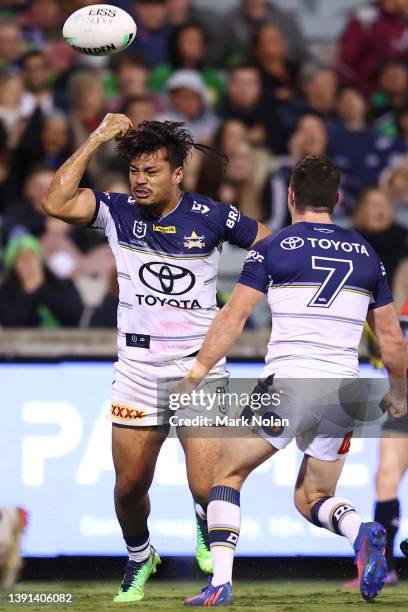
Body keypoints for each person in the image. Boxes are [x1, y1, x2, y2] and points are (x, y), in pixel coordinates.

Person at [41, 115, 270, 602]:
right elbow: (55, 200)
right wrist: (98, 137)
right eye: (135, 172)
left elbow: (272, 245)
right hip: (137, 374)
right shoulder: (115, 211)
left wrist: (245, 296)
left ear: (178, 174)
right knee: (128, 488)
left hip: (197, 370)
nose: (139, 181)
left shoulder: (212, 216)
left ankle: (205, 524)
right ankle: (141, 553)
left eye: (151, 172)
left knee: (207, 485)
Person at [182, 155, 407, 606]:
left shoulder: (275, 247)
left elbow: (234, 315)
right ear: (338, 200)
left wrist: (198, 370)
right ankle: (360, 530)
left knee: (226, 473)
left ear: (290, 197)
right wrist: (399, 393)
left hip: (290, 383)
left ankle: (221, 582)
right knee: (314, 496)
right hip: (346, 391)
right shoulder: (367, 255)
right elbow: (391, 339)